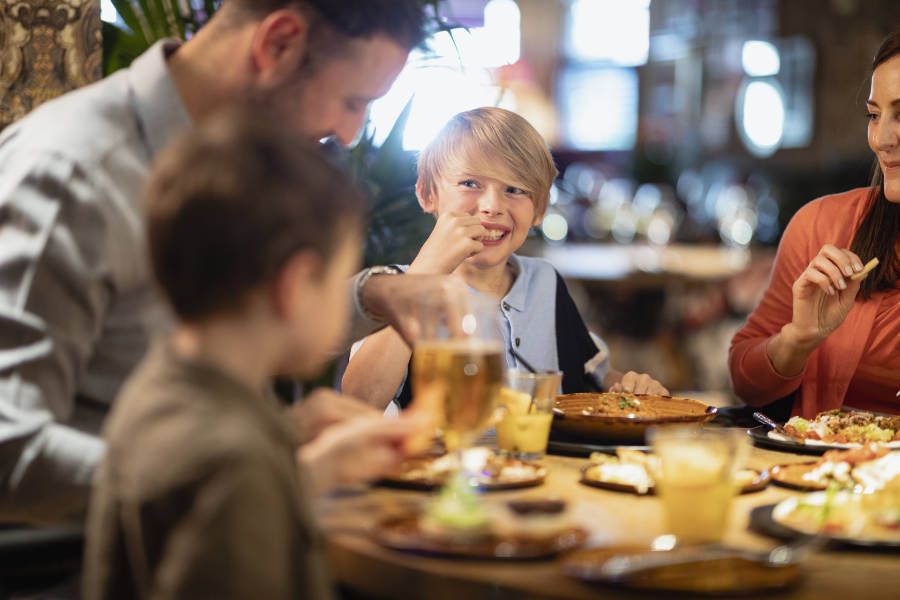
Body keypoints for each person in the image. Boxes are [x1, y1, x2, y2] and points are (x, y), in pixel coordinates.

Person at [0, 0, 459, 524]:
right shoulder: (71, 176)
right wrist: (263, 474)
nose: (351, 134)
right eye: (352, 100)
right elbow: (8, 451)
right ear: (278, 43)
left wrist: (278, 439)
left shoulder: (232, 163)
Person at [82, 111, 425, 600]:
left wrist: (302, 462)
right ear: (295, 286)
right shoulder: (235, 465)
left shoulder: (164, 384)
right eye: (339, 275)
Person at [342, 107, 668, 411]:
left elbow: (593, 375)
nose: (492, 206)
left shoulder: (545, 283)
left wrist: (628, 387)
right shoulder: (394, 289)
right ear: (428, 195)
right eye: (470, 183)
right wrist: (423, 275)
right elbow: (359, 400)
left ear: (539, 209)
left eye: (515, 189)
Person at [729, 29, 900, 418]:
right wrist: (799, 338)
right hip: (827, 474)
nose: (881, 139)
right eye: (874, 115)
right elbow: (745, 383)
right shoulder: (820, 226)